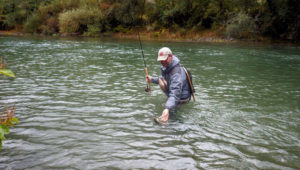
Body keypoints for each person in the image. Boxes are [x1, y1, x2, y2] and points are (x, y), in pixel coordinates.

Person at [146, 47, 192, 122]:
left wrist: (167, 108)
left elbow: (175, 92)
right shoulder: (168, 66)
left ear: (170, 56)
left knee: (172, 116)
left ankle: (168, 126)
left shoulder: (176, 73)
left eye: (164, 59)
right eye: (161, 60)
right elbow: (164, 78)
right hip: (175, 95)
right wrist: (152, 79)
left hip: (181, 99)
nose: (163, 62)